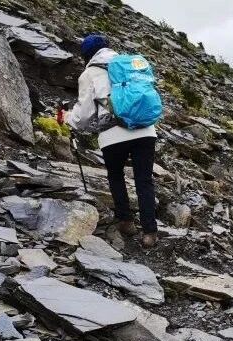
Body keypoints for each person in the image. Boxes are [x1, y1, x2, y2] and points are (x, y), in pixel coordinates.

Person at [66, 34, 159, 247]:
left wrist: (69, 118)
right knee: (144, 180)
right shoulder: (130, 65)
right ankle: (150, 233)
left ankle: (126, 222)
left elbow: (83, 116)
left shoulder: (89, 73)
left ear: (87, 55)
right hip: (145, 130)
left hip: (112, 135)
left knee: (116, 176)